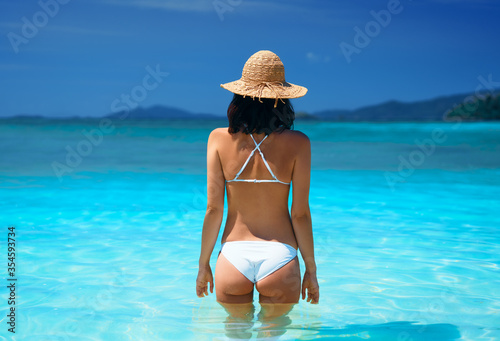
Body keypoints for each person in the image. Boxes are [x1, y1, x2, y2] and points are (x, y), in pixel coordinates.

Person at [196, 50, 319, 309]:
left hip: (232, 257)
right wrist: (311, 270)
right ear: (282, 99)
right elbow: (300, 214)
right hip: (280, 257)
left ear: (239, 96)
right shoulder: (298, 143)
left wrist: (203, 265)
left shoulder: (218, 139)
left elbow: (214, 209)